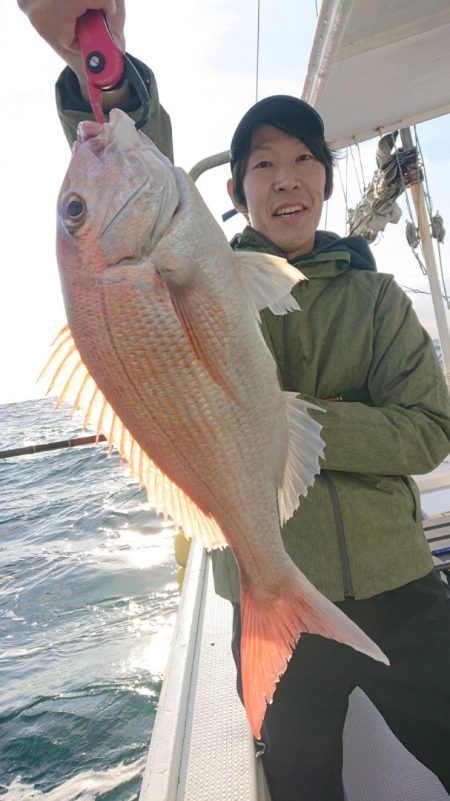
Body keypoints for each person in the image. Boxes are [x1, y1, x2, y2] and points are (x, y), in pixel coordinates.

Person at [17, 3, 450, 799]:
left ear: (324, 174)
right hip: (271, 590)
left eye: (302, 161)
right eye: (262, 165)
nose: (285, 179)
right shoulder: (201, 257)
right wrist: (97, 72)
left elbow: (428, 434)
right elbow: (130, 139)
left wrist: (301, 425)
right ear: (233, 186)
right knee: (300, 785)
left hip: (405, 590)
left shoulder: (380, 298)